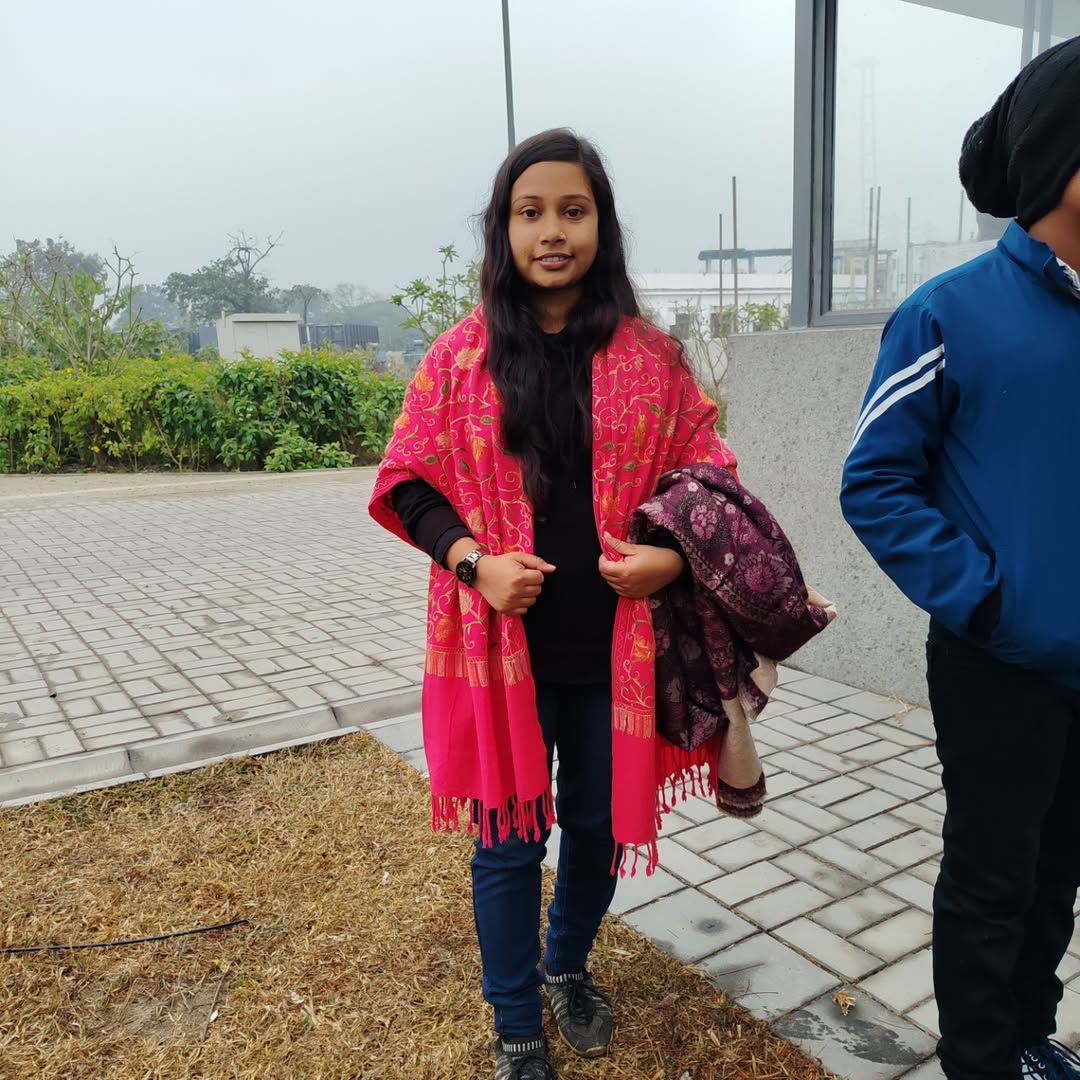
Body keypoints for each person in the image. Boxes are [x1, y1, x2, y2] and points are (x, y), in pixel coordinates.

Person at [368, 128, 746, 1080]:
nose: (552, 232)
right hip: (500, 647)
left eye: (572, 211)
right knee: (508, 840)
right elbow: (406, 481)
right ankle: (515, 1023)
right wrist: (474, 565)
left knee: (596, 823)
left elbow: (710, 473)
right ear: (502, 230)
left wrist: (670, 556)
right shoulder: (460, 359)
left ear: (600, 226)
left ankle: (567, 964)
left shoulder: (652, 358)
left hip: (617, 648)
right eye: (529, 212)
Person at [841, 38, 1080, 1080]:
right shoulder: (951, 312)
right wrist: (989, 604)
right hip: (999, 664)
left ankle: (1028, 1037)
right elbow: (873, 482)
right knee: (992, 879)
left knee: (1059, 876)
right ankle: (981, 1062)